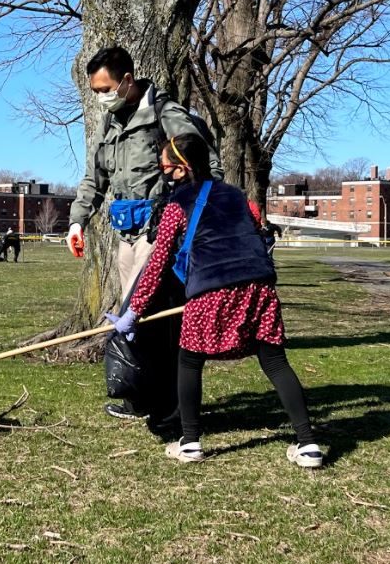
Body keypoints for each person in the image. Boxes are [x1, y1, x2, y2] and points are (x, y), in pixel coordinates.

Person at [109, 134, 322, 468]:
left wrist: (133, 311)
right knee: (275, 362)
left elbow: (158, 261)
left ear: (180, 170)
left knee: (190, 361)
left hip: (210, 291)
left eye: (165, 166)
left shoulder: (177, 205)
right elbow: (259, 233)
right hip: (259, 287)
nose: (162, 171)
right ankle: (309, 446)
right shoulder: (238, 196)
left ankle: (190, 442)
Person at [67, 46, 223, 421]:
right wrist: (77, 220)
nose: (101, 97)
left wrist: (188, 222)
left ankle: (169, 404)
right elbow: (95, 178)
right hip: (126, 237)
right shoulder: (111, 125)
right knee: (132, 322)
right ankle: (140, 397)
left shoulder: (167, 117)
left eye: (106, 88)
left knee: (156, 322)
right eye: (95, 91)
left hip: (159, 236)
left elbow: (206, 168)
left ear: (126, 80)